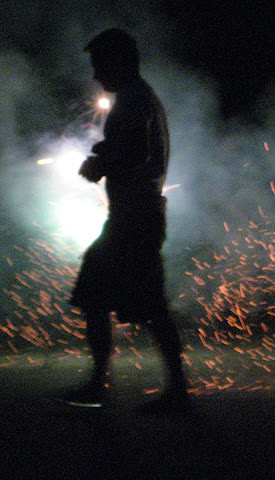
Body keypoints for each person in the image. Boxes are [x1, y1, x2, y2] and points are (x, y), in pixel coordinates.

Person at [62, 28, 188, 411]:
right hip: (137, 216)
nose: (95, 74)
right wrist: (106, 151)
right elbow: (133, 147)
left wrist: (100, 165)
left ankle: (106, 386)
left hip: (134, 218)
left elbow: (133, 156)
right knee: (130, 301)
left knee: (115, 299)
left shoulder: (133, 101)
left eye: (99, 65)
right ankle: (170, 390)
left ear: (118, 63)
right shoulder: (140, 98)